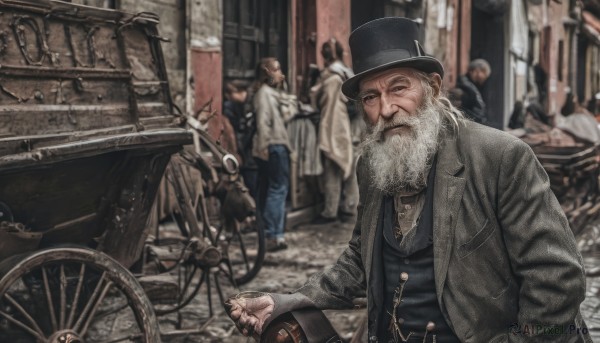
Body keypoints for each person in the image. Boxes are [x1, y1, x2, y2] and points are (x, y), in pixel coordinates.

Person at [228, 18, 590, 342]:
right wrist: (287, 301)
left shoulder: (500, 157)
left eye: (399, 88)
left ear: (432, 87)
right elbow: (361, 257)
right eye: (371, 97)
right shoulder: (372, 164)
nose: (386, 109)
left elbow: (556, 278)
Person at [310, 38, 359, 224]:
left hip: (339, 127)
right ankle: (348, 207)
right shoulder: (347, 72)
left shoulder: (332, 77)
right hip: (353, 128)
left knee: (333, 167)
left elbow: (330, 109)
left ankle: (330, 211)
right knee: (350, 168)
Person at [252, 57, 293, 252]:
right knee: (278, 189)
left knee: (277, 189)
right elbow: (263, 123)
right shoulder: (263, 94)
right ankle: (272, 234)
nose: (280, 73)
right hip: (273, 145)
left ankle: (276, 233)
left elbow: (284, 116)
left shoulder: (271, 93)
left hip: (277, 144)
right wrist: (264, 148)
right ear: (267, 71)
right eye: (277, 69)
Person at [223, 80, 258, 198]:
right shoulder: (238, 105)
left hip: (252, 151)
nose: (228, 98)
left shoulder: (251, 103)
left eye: (230, 94)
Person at [456, 58, 491, 124]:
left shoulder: (470, 86)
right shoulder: (467, 87)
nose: (484, 78)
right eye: (485, 74)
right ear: (477, 71)